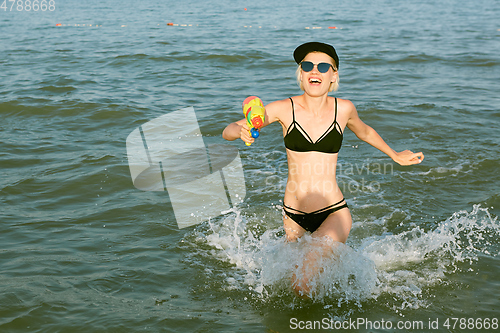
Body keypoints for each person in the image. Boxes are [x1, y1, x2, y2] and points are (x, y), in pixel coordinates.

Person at [222, 42, 424, 296]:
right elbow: (228, 130)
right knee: (288, 286)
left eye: (322, 66)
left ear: (333, 75)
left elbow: (365, 132)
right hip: (293, 215)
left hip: (333, 211)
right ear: (301, 73)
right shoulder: (285, 108)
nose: (314, 71)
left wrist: (395, 154)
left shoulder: (344, 109)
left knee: (302, 281)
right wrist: (240, 131)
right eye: (307, 66)